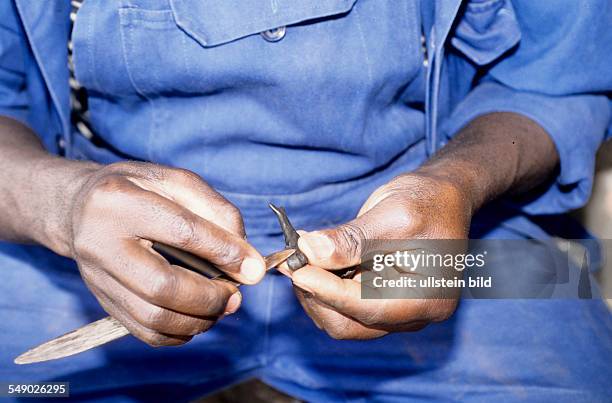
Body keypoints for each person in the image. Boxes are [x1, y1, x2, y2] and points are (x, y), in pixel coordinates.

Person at [1, 0, 611, 401]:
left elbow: (563, 81)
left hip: (446, 228)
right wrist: (62, 203)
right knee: (25, 385)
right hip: (97, 236)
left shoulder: (453, 199)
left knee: (576, 337)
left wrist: (457, 184)